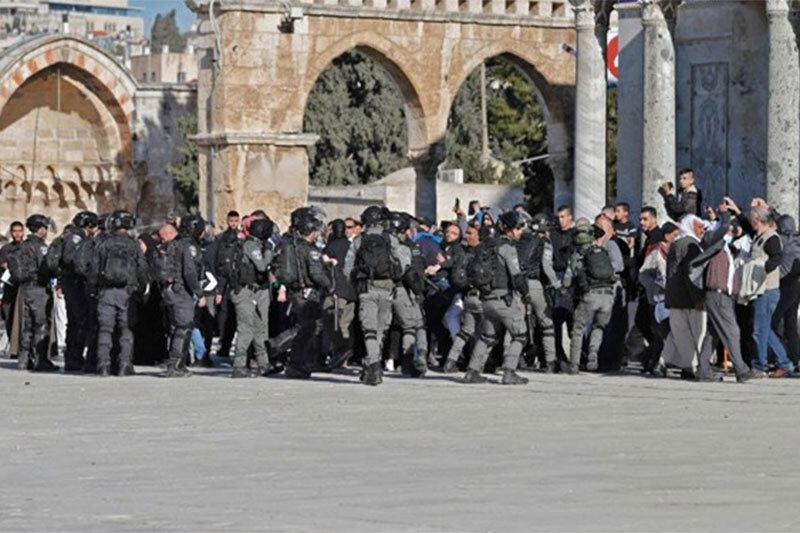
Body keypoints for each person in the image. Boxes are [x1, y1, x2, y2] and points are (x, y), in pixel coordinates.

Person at [462, 210, 530, 385]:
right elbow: (516, 276)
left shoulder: (486, 246)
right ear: (508, 229)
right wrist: (526, 294)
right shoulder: (507, 248)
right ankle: (509, 372)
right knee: (520, 335)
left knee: (486, 337)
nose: (520, 232)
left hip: (486, 299)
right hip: (503, 300)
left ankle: (472, 371)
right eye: (518, 228)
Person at [344, 206, 407, 386]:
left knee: (369, 330)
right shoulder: (391, 239)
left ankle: (372, 365)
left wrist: (356, 284)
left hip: (367, 289)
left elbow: (347, 268)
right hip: (387, 289)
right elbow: (402, 264)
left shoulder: (359, 240)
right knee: (380, 329)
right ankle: (373, 362)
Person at [689, 206, 754, 383]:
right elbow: (716, 236)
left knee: (713, 333)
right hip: (717, 295)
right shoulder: (716, 246)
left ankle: (703, 369)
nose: (735, 229)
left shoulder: (728, 249)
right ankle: (741, 369)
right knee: (732, 332)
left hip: (724, 297)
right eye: (732, 227)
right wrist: (725, 216)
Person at [737, 200, 794, 378]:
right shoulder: (759, 236)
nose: (750, 220)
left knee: (759, 329)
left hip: (767, 290)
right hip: (758, 289)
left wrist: (763, 268)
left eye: (752, 217)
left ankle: (759, 366)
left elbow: (777, 257)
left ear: (758, 219)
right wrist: (736, 211)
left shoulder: (771, 238)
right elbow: (746, 226)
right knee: (763, 328)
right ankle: (785, 363)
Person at [275, 207, 333, 379]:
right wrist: (329, 285)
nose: (318, 233)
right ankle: (286, 355)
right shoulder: (310, 249)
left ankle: (295, 362)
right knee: (307, 329)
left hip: (296, 291)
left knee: (304, 327)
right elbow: (316, 273)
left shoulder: (291, 245)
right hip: (307, 293)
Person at [90, 210, 149, 376]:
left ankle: (103, 365)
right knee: (126, 329)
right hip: (127, 293)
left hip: (106, 292)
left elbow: (94, 268)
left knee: (105, 329)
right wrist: (143, 289)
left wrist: (92, 289)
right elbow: (142, 269)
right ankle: (124, 364)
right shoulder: (133, 245)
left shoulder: (104, 244)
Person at [158, 216, 207, 377]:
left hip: (170, 290)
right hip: (181, 291)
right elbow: (189, 271)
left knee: (178, 328)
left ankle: (179, 364)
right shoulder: (188, 246)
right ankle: (176, 364)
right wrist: (199, 292)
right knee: (183, 328)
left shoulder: (174, 243)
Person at [565, 223, 617, 373]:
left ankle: (574, 364)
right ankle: (593, 356)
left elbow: (569, 278)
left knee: (578, 328)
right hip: (607, 296)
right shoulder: (601, 252)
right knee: (599, 327)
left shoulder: (578, 255)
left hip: (590, 296)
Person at [660, 215, 707, 375]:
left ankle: (664, 361)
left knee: (679, 333)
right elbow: (691, 274)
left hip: (675, 296)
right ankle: (690, 366)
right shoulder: (691, 245)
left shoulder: (676, 243)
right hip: (688, 298)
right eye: (699, 226)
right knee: (694, 334)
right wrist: (698, 298)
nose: (703, 230)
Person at [54, 211, 99, 372]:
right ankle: (76, 357)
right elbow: (72, 260)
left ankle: (72, 357)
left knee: (73, 322)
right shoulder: (78, 237)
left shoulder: (67, 236)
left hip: (68, 282)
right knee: (81, 322)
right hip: (77, 283)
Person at [230, 217, 275, 378]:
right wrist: (269, 252)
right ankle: (239, 365)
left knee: (260, 328)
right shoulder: (250, 245)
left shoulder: (257, 244)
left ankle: (264, 363)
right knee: (246, 328)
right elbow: (262, 265)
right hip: (244, 291)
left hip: (255, 290)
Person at [12, 215, 57, 372]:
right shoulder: (40, 247)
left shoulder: (23, 246)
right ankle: (40, 360)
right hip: (39, 289)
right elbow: (47, 267)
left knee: (28, 325)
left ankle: (23, 360)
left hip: (25, 288)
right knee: (42, 324)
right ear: (40, 229)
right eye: (45, 227)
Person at [516, 212, 558, 372]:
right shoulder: (545, 242)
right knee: (546, 323)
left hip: (518, 284)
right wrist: (557, 285)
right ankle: (550, 362)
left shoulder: (522, 239)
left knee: (516, 323)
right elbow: (546, 267)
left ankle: (510, 360)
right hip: (535, 285)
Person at [391, 212, 429, 375]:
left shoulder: (384, 244)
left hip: (385, 289)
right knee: (413, 326)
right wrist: (418, 291)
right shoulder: (407, 247)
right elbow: (413, 272)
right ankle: (413, 359)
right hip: (404, 289)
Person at [442, 224, 483, 373]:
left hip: (468, 297)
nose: (467, 236)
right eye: (466, 233)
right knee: (483, 333)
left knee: (465, 332)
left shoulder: (466, 253)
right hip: (479, 297)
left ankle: (451, 360)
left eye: (470, 233)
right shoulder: (482, 253)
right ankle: (475, 366)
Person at [0, 221, 25, 358]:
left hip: (22, 288)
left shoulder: (27, 247)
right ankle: (13, 345)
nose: (17, 234)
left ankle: (22, 348)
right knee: (9, 316)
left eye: (19, 231)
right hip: (10, 287)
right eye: (15, 231)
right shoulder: (6, 249)